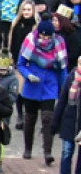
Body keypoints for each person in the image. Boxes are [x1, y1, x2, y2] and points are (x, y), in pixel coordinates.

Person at [17, 16, 68, 163]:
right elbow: (21, 64)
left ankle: (47, 152)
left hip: (49, 85)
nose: (45, 38)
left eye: (48, 35)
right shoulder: (30, 41)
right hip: (33, 85)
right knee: (30, 118)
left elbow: (63, 68)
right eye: (42, 35)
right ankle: (28, 148)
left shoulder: (59, 43)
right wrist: (28, 75)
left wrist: (63, 89)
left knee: (47, 118)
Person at [52, 55, 81, 174]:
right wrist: (55, 123)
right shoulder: (70, 79)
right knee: (67, 152)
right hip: (69, 122)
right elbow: (62, 101)